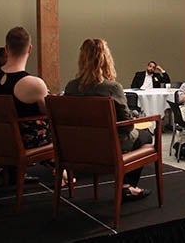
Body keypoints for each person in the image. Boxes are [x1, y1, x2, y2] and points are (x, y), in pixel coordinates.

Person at [64, 38, 152, 200]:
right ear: (106, 60)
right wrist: (134, 117)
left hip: (79, 147)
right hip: (109, 146)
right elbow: (127, 127)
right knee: (145, 135)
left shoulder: (70, 87)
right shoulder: (112, 88)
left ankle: (126, 186)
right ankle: (127, 186)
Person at [0, 27, 51, 149]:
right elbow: (50, 113)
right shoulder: (34, 84)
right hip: (22, 143)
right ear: (30, 48)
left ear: (6, 49)